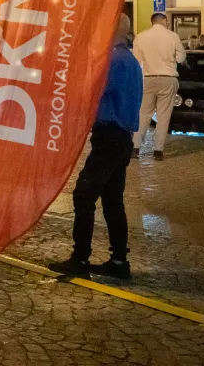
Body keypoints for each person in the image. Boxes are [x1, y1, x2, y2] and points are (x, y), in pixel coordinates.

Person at [49, 14, 142, 280]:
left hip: (108, 136)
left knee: (84, 195)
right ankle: (119, 261)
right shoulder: (132, 61)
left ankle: (80, 259)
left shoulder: (113, 61)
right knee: (113, 200)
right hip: (123, 137)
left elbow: (91, 92)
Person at [130, 11, 185, 161]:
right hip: (168, 78)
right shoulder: (173, 36)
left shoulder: (141, 37)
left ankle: (135, 148)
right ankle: (158, 150)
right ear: (164, 21)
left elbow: (137, 61)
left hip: (148, 78)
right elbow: (181, 58)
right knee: (163, 116)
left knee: (143, 114)